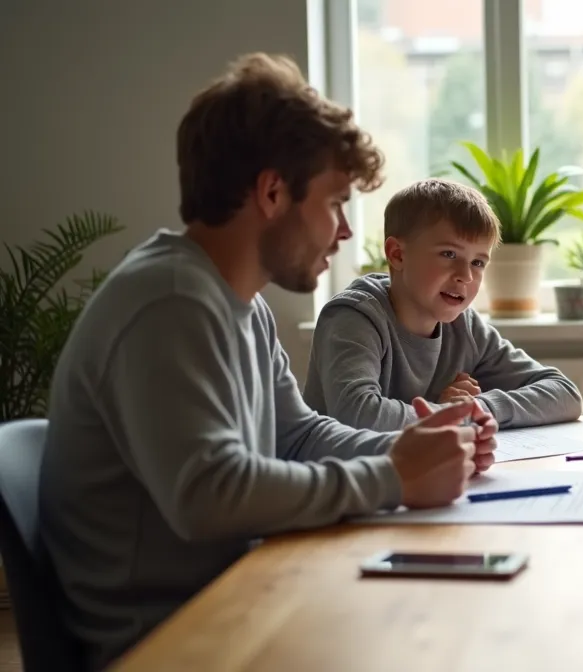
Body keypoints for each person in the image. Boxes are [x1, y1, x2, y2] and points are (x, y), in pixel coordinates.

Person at [38, 53, 497, 670]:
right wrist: (396, 478)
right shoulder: (170, 301)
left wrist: (418, 444)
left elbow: (297, 433)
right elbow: (209, 494)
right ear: (273, 192)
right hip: (167, 640)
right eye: (335, 203)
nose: (341, 232)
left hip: (231, 598)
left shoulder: (237, 303)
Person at [303, 178, 583, 432]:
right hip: (343, 481)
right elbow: (358, 414)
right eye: (449, 254)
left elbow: (565, 395)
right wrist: (447, 414)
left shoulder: (466, 326)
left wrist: (474, 409)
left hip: (419, 477)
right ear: (398, 255)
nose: (466, 275)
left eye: (478, 262)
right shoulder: (353, 317)